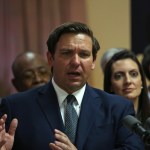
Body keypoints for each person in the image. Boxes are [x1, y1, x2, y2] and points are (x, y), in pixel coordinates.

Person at [0, 22, 144, 150]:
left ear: (93, 61)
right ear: (51, 59)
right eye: (67, 53)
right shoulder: (16, 107)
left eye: (84, 54)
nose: (76, 61)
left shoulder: (118, 108)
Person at [104, 50, 150, 125]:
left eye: (134, 74)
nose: (128, 81)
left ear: (141, 81)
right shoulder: (101, 122)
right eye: (119, 76)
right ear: (110, 86)